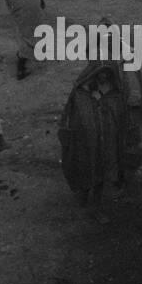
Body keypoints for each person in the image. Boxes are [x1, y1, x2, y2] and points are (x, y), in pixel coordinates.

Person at [59, 62, 129, 222]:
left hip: (107, 142)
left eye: (106, 72)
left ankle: (95, 208)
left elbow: (119, 116)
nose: (103, 76)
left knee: (102, 174)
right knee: (85, 166)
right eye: (100, 72)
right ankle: (83, 193)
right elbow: (74, 116)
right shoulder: (81, 94)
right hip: (86, 142)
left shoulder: (115, 93)